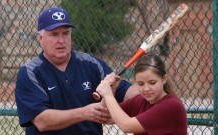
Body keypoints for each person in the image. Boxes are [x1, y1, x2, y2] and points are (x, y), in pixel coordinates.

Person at [15, 7, 137, 135]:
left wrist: (148, 85)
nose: (61, 40)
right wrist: (84, 113)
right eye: (54, 34)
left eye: (66, 33)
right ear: (41, 38)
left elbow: (128, 93)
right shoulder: (30, 72)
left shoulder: (91, 64)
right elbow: (42, 121)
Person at [96, 54, 187, 135]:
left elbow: (127, 126)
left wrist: (108, 95)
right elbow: (105, 117)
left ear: (164, 79)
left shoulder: (171, 105)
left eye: (152, 83)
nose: (146, 89)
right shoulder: (139, 100)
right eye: (140, 84)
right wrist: (112, 89)